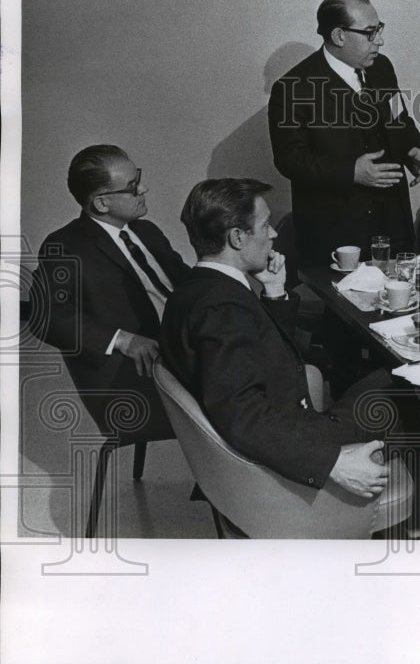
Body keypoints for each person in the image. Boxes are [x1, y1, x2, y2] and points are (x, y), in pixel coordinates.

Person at [160, 178, 392, 498]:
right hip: (295, 448)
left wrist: (274, 292)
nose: (274, 234)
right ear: (237, 237)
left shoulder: (194, 290)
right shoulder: (223, 310)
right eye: (266, 225)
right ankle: (414, 525)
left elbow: (259, 354)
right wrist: (334, 463)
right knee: (414, 390)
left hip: (288, 426)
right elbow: (243, 417)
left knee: (387, 378)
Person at [36, 144, 191, 444]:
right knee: (246, 383)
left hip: (185, 346)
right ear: (102, 203)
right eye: (133, 187)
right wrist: (122, 339)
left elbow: (185, 285)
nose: (144, 188)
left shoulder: (146, 231)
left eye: (139, 177)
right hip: (140, 375)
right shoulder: (65, 247)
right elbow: (46, 317)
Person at [267, 0, 420, 265]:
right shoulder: (292, 87)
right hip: (336, 235)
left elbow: (397, 118)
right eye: (370, 33)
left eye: (379, 29)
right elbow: (289, 159)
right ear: (338, 36)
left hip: (393, 225)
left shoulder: (382, 68)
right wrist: (351, 172)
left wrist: (414, 148)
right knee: (345, 308)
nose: (380, 41)